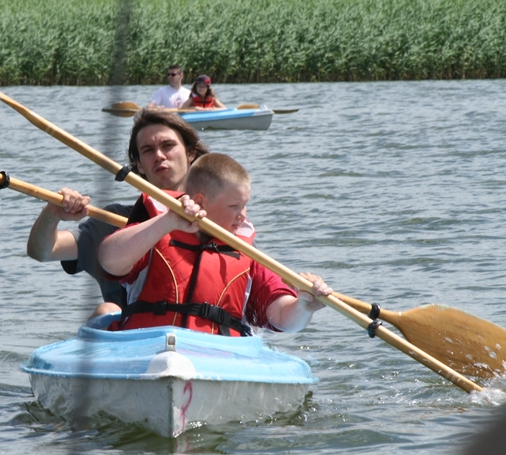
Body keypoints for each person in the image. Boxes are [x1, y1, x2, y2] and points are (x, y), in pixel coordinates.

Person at [98, 152, 331, 335]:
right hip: (150, 345)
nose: (243, 215)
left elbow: (281, 317)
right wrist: (167, 221)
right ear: (200, 201)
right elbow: (109, 261)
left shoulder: (246, 253)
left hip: (216, 355)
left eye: (244, 205)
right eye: (234, 206)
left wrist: (303, 306)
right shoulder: (156, 230)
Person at [26, 109, 209, 315]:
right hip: (130, 330)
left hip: (199, 330)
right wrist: (51, 215)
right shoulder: (112, 220)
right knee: (106, 310)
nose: (159, 155)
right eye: (148, 150)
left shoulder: (218, 219)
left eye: (168, 145)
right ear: (139, 165)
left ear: (190, 153)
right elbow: (42, 252)